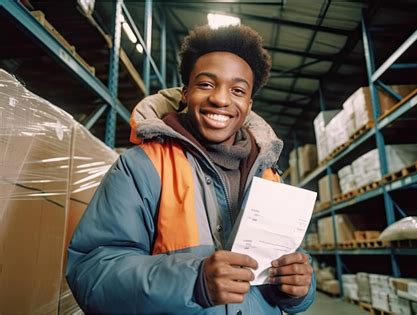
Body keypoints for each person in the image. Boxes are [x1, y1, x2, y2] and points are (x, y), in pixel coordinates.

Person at [66, 24, 315, 314]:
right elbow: (92, 272)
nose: (221, 99)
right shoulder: (142, 166)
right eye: (206, 84)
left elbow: (286, 260)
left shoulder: (269, 176)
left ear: (248, 105)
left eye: (237, 90)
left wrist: (299, 288)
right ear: (185, 93)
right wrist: (192, 281)